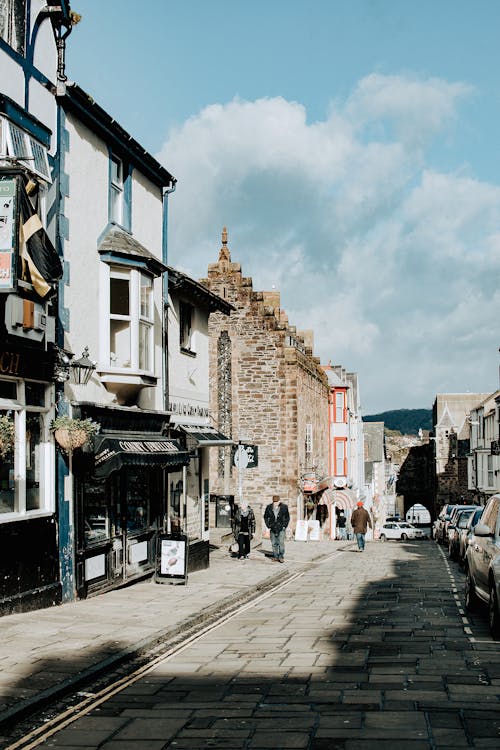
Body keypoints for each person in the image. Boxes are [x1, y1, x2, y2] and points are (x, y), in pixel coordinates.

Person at [264, 494, 290, 563]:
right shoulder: (269, 507)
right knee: (274, 543)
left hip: (281, 527)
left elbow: (287, 517)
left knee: (281, 543)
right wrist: (268, 525)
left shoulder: (284, 507)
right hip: (272, 527)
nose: (275, 503)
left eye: (277, 502)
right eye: (274, 502)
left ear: (279, 501)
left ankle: (281, 556)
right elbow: (265, 517)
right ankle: (275, 556)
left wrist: (284, 525)